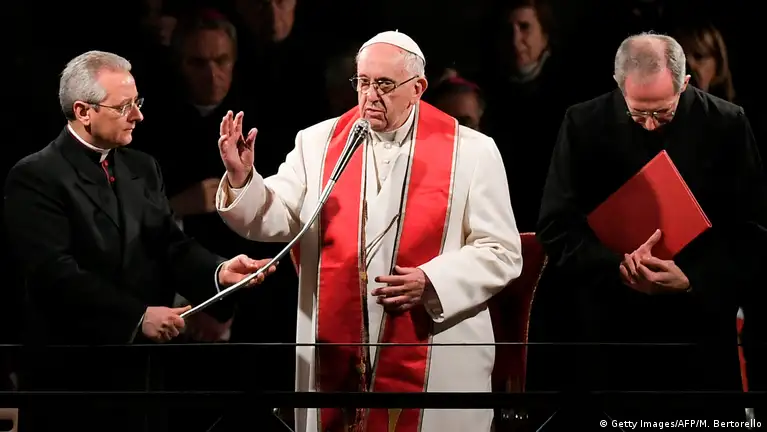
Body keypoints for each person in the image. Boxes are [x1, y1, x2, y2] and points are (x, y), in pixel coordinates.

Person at [214, 31, 523, 432]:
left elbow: (501, 251)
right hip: (340, 350)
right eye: (363, 82)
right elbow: (277, 216)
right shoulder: (318, 143)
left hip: (433, 349)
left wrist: (433, 281)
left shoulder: (472, 151)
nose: (370, 96)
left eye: (384, 84)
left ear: (418, 89)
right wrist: (243, 180)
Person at [3, 50, 275, 432]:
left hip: (141, 374)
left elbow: (170, 245)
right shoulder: (36, 176)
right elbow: (54, 274)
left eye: (137, 102)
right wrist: (136, 316)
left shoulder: (142, 167)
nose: (138, 116)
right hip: (72, 376)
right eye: (123, 106)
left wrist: (219, 271)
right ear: (83, 112)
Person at [536, 32, 766, 423]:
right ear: (618, 84)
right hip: (611, 333)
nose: (648, 125)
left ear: (685, 84)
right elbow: (556, 225)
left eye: (662, 113)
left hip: (699, 335)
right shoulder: (583, 123)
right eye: (637, 113)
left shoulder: (727, 124)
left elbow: (752, 230)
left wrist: (691, 277)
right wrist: (617, 264)